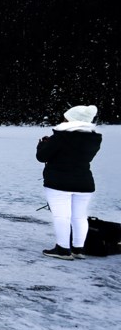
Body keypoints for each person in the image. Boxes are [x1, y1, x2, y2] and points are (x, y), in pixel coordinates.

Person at [35, 105, 102, 260]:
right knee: (79, 216)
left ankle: (63, 249)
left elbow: (42, 156)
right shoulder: (94, 138)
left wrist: (42, 144)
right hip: (84, 183)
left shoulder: (61, 136)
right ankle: (79, 249)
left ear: (70, 119)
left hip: (59, 183)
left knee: (62, 216)